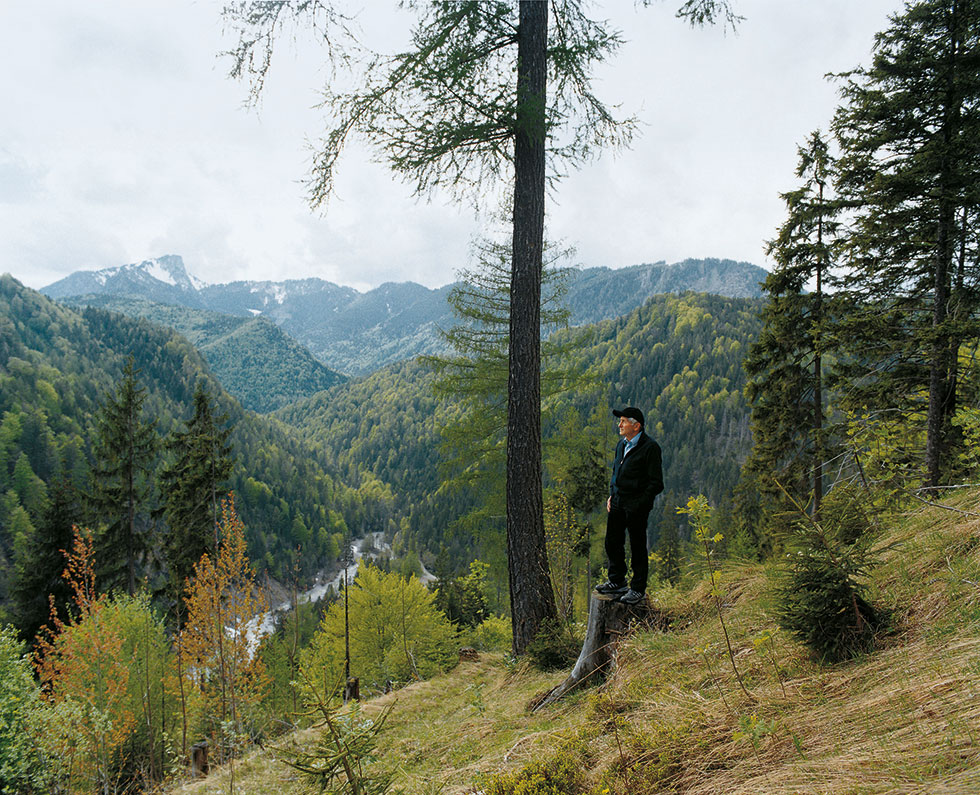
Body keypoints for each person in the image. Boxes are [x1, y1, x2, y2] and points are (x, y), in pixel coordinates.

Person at [595, 406, 664, 605]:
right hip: (617, 502)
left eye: (623, 421)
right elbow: (616, 472)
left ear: (637, 426)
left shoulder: (650, 447)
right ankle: (617, 581)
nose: (620, 424)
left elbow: (656, 483)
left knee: (637, 547)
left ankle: (637, 589)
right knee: (612, 542)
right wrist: (612, 495)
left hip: (636, 507)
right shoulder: (621, 445)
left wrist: (640, 504)